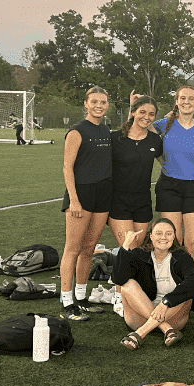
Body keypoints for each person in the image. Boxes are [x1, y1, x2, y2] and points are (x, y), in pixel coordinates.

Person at [149, 86, 194, 273]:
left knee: (192, 245)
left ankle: (191, 288)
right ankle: (172, 285)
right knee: (173, 242)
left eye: (191, 99)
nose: (186, 102)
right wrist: (134, 108)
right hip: (169, 186)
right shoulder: (164, 124)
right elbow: (141, 127)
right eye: (182, 98)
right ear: (176, 101)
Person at [59, 86, 112, 321]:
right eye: (94, 102)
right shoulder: (77, 131)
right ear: (86, 104)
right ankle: (67, 301)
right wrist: (74, 200)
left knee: (90, 247)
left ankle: (81, 297)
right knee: (73, 248)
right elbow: (67, 167)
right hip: (81, 195)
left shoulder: (106, 130)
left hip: (103, 194)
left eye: (103, 102)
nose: (99, 105)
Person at [107, 95, 163, 315]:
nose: (146, 117)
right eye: (142, 112)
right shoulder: (115, 138)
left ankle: (131, 293)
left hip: (142, 203)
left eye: (151, 114)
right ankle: (119, 297)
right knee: (127, 249)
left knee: (138, 250)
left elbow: (167, 163)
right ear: (133, 112)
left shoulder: (155, 141)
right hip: (118, 202)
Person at [113, 218, 194, 349]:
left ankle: (138, 335)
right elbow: (119, 278)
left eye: (169, 233)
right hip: (140, 318)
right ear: (151, 236)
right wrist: (125, 245)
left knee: (186, 287)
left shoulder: (182, 256)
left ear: (174, 237)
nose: (164, 237)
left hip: (174, 319)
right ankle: (166, 329)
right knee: (128, 285)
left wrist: (166, 302)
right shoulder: (139, 255)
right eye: (159, 233)